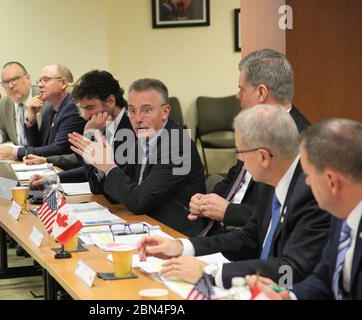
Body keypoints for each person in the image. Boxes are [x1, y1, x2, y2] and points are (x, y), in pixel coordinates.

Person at [137, 104, 330, 288]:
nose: (239, 160)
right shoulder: (272, 178)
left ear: (263, 156)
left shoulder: (313, 193)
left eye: (240, 152)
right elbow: (249, 236)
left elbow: (291, 270)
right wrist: (182, 246)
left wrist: (212, 273)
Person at [189, 48, 310, 237]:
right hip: (219, 230)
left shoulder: (299, 141)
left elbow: (279, 213)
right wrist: (206, 202)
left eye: (241, 89)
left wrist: (229, 211)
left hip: (249, 241)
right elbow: (235, 178)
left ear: (261, 92)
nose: (237, 96)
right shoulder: (254, 126)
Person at [69, 78, 207, 236]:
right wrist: (101, 167)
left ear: (165, 112)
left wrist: (109, 166)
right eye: (132, 110)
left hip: (175, 233)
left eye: (146, 110)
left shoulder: (178, 145)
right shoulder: (140, 141)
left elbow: (139, 202)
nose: (137, 119)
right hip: (145, 225)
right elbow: (117, 195)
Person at [246, 118, 362, 300]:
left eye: (308, 175)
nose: (306, 182)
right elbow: (323, 279)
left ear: (331, 181)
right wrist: (289, 296)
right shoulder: (341, 215)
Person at [28, 70, 133, 185]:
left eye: (90, 107)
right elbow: (92, 170)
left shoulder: (132, 127)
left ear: (110, 101)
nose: (86, 116)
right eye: (83, 109)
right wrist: (52, 178)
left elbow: (104, 182)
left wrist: (89, 134)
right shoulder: (104, 123)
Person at [0, 64, 85, 160]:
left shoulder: (72, 108)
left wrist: (16, 152)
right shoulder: (50, 109)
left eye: (45, 80)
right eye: (39, 81)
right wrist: (31, 119)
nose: (40, 85)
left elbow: (59, 149)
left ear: (63, 83)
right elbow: (37, 146)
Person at [0, 61, 47, 146]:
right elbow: (2, 128)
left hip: (40, 155)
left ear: (28, 78)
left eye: (14, 79)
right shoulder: (3, 103)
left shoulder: (45, 98)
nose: (10, 86)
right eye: (5, 82)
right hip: (15, 158)